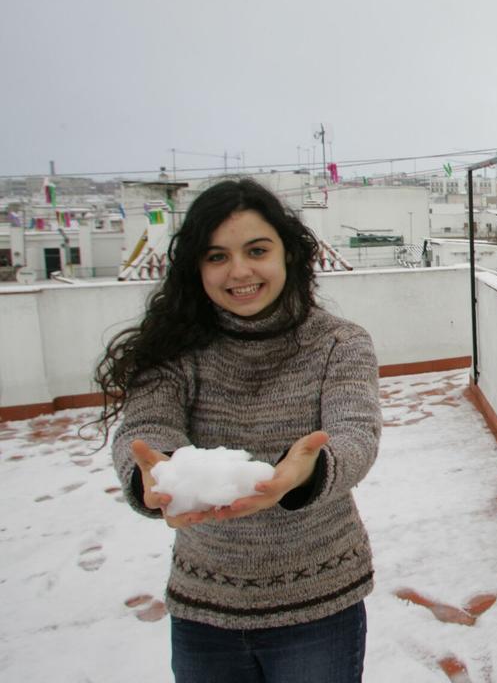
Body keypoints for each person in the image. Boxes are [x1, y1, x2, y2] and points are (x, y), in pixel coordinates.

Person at [94, 178, 382, 683]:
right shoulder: (175, 348)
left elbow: (356, 431)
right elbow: (148, 424)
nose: (240, 271)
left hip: (319, 600)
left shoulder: (339, 342)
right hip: (206, 604)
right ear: (196, 267)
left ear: (288, 254)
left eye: (256, 250)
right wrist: (160, 474)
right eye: (217, 256)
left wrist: (303, 474)